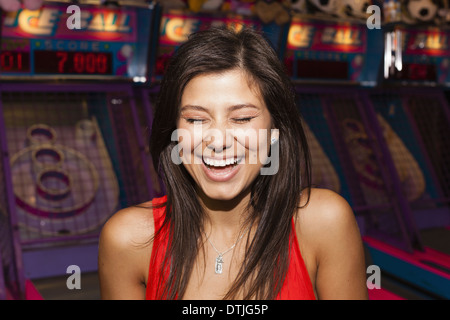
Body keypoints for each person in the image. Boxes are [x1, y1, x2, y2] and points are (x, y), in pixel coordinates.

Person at [98, 27, 368, 300]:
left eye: (241, 118)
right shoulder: (129, 239)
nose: (218, 141)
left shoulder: (323, 222)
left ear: (275, 129)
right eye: (196, 119)